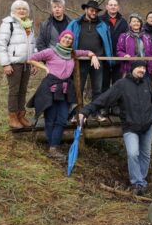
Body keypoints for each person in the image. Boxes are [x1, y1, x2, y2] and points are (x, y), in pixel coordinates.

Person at [79, 60, 152, 194]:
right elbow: (103, 99)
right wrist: (86, 111)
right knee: (133, 153)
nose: (142, 70)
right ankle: (137, 182)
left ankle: (141, 182)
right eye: (139, 67)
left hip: (147, 125)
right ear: (132, 68)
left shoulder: (147, 82)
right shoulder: (121, 85)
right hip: (130, 125)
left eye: (144, 68)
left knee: (145, 155)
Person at [28, 30, 99, 159]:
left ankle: (53, 147)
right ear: (60, 39)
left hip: (65, 91)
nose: (67, 40)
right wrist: (45, 68)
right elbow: (31, 59)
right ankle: (53, 147)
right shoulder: (51, 51)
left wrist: (92, 55)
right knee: (50, 120)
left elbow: (86, 52)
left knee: (62, 119)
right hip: (50, 89)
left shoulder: (72, 53)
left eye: (70, 39)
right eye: (65, 37)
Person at [66, 0, 114, 121]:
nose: (94, 13)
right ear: (86, 9)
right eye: (92, 10)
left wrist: (109, 58)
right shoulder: (75, 24)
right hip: (79, 61)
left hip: (98, 60)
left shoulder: (102, 25)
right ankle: (77, 113)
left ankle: (96, 112)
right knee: (78, 88)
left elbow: (107, 42)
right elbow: (66, 38)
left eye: (96, 11)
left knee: (97, 88)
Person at [0, 0, 37, 129]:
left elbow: (33, 45)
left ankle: (21, 115)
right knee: (14, 91)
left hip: (27, 63)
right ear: (13, 11)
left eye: (24, 9)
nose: (21, 11)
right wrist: (5, 64)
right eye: (19, 8)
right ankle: (13, 117)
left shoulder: (29, 25)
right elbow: (1, 45)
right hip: (14, 64)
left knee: (23, 90)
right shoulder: (8, 23)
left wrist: (35, 62)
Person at [100, 0, 128, 92]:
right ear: (107, 7)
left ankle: (116, 106)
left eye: (115, 5)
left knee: (118, 84)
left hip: (118, 58)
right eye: (111, 5)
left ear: (118, 7)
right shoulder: (100, 20)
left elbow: (127, 40)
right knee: (104, 85)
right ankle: (105, 106)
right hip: (103, 58)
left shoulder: (123, 22)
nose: (113, 7)